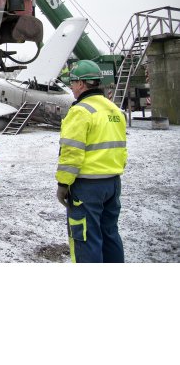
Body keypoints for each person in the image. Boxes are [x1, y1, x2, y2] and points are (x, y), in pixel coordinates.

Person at [55, 60, 127, 263]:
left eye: (72, 82)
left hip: (87, 187)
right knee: (110, 235)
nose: (71, 87)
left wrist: (63, 184)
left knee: (86, 238)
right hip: (112, 183)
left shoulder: (81, 111)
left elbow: (71, 153)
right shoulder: (114, 110)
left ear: (81, 84)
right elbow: (121, 149)